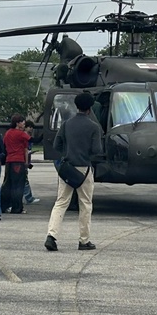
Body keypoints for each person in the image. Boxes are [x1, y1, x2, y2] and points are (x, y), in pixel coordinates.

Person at [45, 92, 104, 252]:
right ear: (90, 108)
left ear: (76, 106)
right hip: (84, 168)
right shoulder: (94, 127)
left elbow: (57, 145)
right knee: (85, 203)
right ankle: (84, 241)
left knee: (61, 202)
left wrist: (67, 152)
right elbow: (97, 150)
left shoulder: (66, 124)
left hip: (67, 168)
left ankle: (52, 236)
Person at [2, 114, 32, 214]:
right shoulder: (20, 134)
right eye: (22, 121)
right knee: (18, 185)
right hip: (18, 161)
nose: (24, 123)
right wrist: (26, 164)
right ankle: (17, 207)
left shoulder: (7, 133)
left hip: (9, 160)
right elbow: (28, 145)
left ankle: (5, 205)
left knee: (8, 184)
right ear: (17, 123)